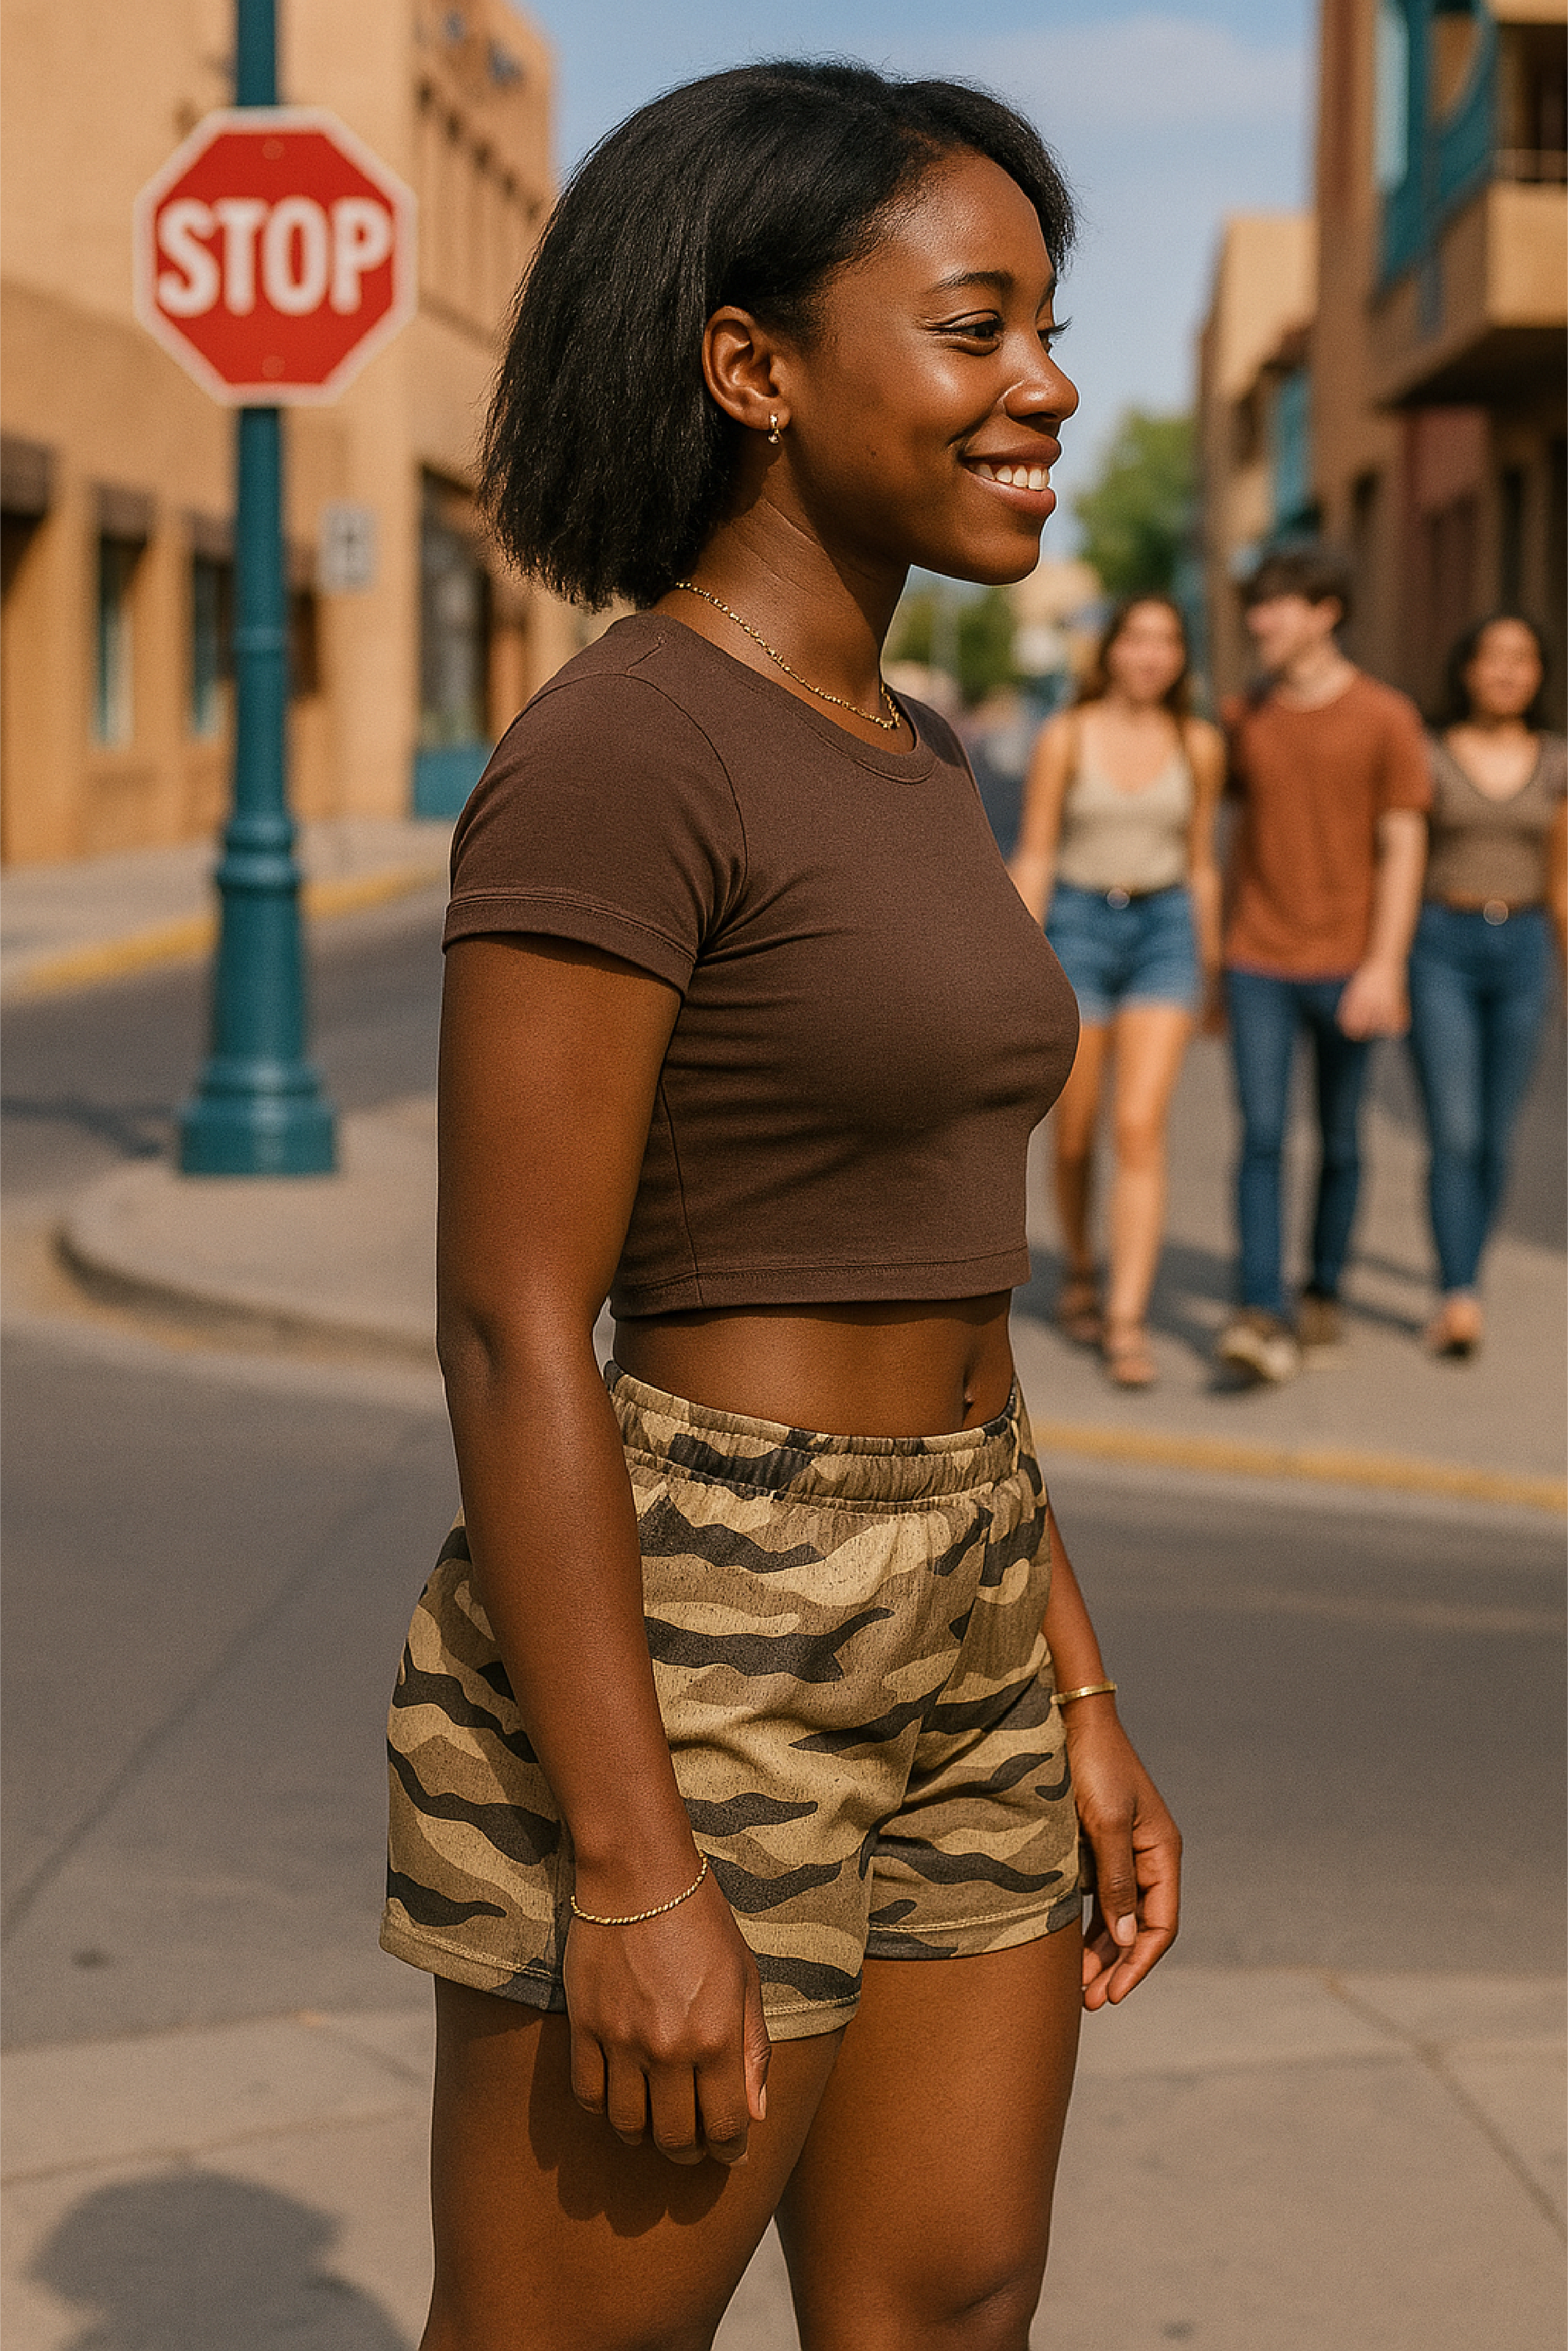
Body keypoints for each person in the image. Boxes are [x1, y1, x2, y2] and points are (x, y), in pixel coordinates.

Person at [378, 63, 1181, 2351]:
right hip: (694, 1624)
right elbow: (516, 1325)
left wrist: (1076, 1685)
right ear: (750, 367)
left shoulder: (915, 754)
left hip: (965, 1591)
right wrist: (628, 1863)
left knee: (948, 2300)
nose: (1045, 384)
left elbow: (948, 1273)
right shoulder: (628, 748)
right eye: (976, 326)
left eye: (1050, 325)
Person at [1215, 550, 1429, 1385]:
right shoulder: (1247, 715)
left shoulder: (1385, 717)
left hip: (1349, 963)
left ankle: (1323, 1286)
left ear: (1324, 612)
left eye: (1274, 607)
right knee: (1261, 1137)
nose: (1258, 623)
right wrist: (1216, 951)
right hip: (1258, 959)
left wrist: (1384, 965)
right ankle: (1259, 1310)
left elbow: (1402, 844)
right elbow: (1232, 838)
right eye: (1255, 609)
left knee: (1340, 1140)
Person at [1011, 596, 1223, 1387]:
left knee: (1137, 1126)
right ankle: (1078, 1272)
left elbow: (1201, 860)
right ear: (1111, 651)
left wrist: (1211, 967)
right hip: (1076, 925)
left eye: (1166, 642)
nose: (1149, 656)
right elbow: (1034, 851)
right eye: (1136, 640)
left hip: (1164, 930)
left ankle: (1125, 1320)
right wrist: (1016, 955)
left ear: (1178, 657)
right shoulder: (1065, 736)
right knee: (1074, 1133)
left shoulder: (1197, 743)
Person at [1407, 613, 1568, 1357]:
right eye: (1491, 657)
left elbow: (1564, 884)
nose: (1506, 671)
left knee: (1496, 1138)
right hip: (1442, 944)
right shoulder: (1431, 754)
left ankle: (1466, 1274)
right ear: (1467, 669)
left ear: (1539, 674)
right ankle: (1457, 1292)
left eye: (1522, 659)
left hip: (1526, 948)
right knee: (1455, 1129)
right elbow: (1403, 862)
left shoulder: (1558, 761)